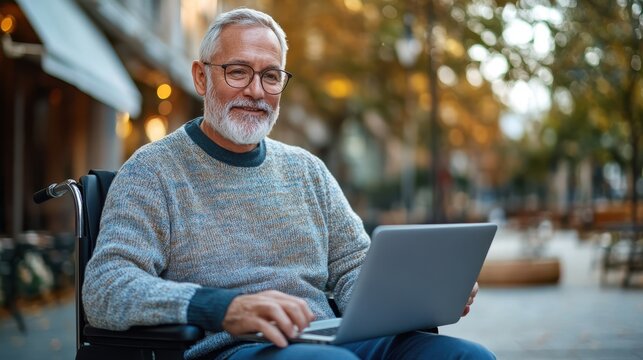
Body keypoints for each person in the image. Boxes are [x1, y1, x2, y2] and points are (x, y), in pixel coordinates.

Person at [83, 8, 495, 360]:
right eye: (238, 72)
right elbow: (105, 288)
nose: (256, 91)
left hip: (331, 338)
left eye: (271, 76)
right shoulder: (153, 171)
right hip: (235, 347)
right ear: (202, 78)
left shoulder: (306, 170)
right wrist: (223, 308)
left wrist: (418, 297)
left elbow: (354, 269)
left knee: (469, 356)